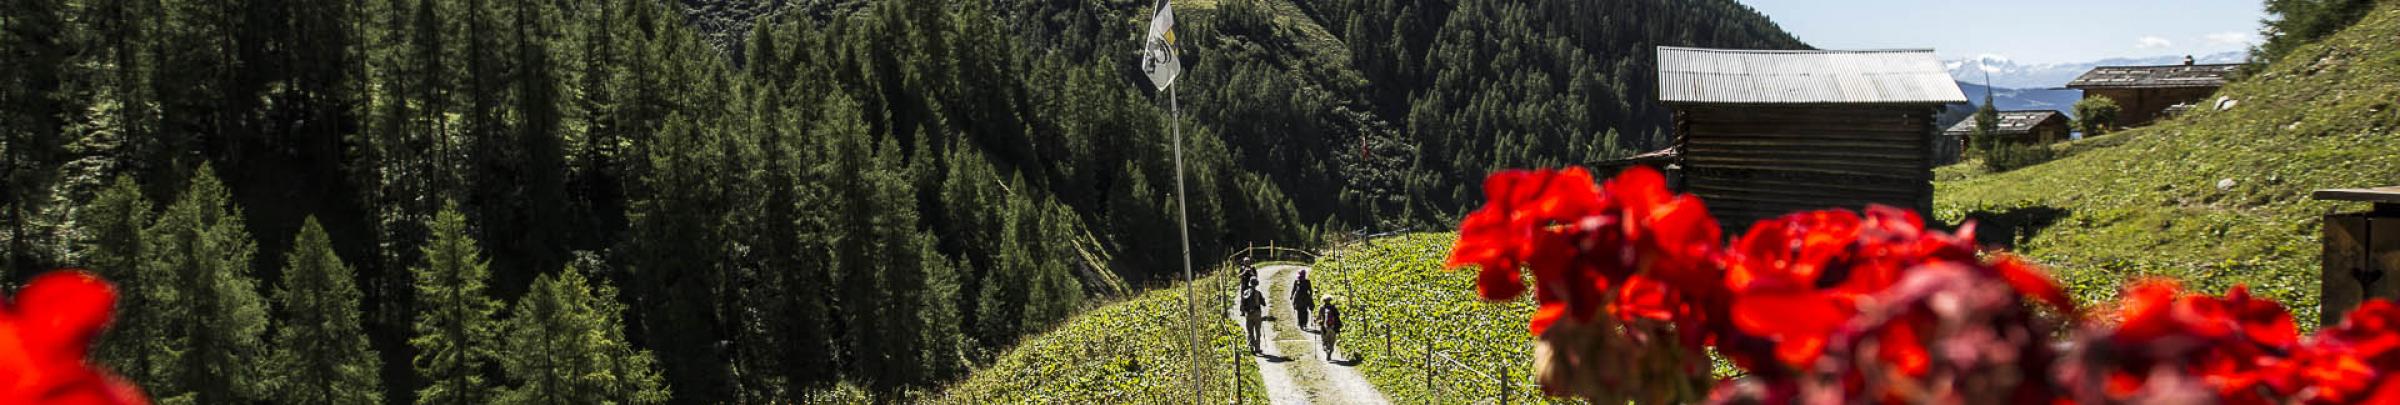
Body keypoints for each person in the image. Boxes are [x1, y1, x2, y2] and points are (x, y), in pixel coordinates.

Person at [1240, 286, 1266, 355]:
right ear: (1256, 284)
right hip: (1257, 314)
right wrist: (1262, 300)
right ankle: (1257, 349)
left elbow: (1242, 305)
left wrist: (1244, 311)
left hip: (1248, 314)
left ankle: (1251, 347)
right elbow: (1263, 304)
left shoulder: (1245, 292)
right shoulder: (1258, 293)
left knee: (1250, 331)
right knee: (1257, 332)